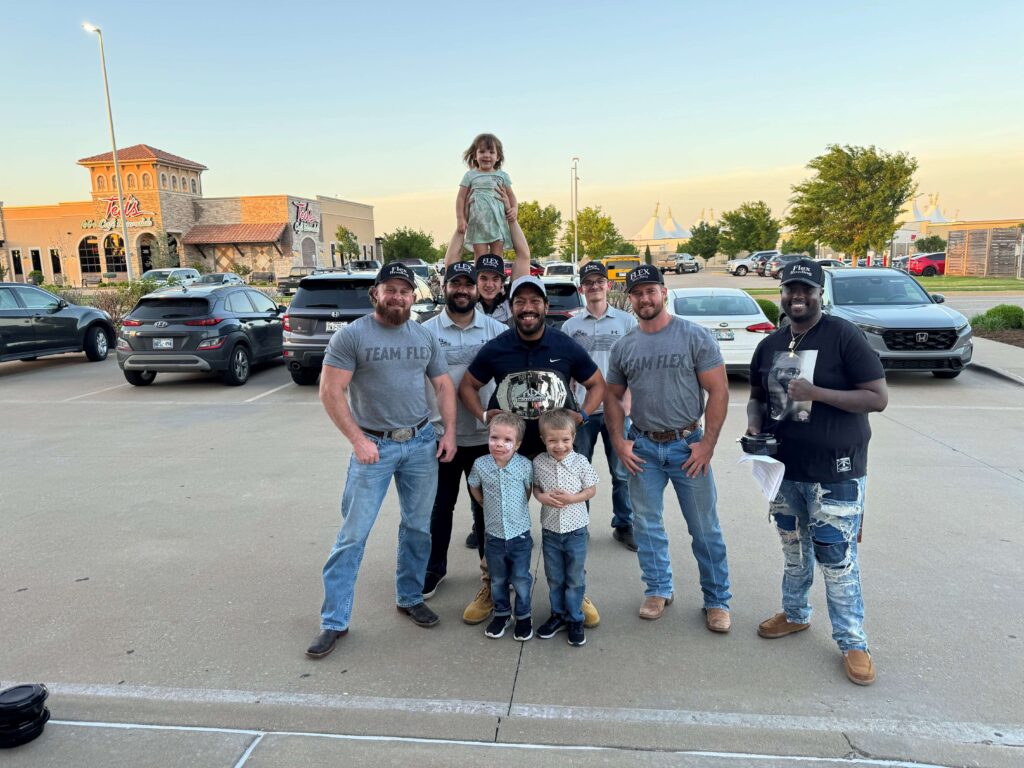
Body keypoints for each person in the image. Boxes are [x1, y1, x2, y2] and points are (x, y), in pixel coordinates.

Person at [746, 258, 888, 686]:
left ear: (819, 293)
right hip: (785, 471)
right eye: (790, 289)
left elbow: (877, 398)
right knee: (793, 551)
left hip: (836, 472)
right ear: (782, 294)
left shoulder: (843, 335)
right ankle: (795, 614)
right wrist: (753, 426)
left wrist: (816, 393)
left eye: (806, 288)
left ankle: (853, 642)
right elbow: (756, 396)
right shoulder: (770, 344)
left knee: (836, 558)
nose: (797, 296)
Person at [306, 263, 457, 659]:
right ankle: (333, 621)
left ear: (413, 296)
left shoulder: (423, 336)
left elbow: (443, 385)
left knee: (418, 527)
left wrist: (450, 433)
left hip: (421, 443)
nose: (398, 297)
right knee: (353, 534)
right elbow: (330, 391)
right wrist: (357, 439)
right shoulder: (351, 336)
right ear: (376, 293)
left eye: (405, 291)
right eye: (391, 289)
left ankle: (409, 597)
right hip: (373, 446)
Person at [460, 275, 605, 628]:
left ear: (544, 306)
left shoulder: (564, 344)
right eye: (520, 301)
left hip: (555, 449)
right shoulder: (497, 347)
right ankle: (491, 586)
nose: (527, 308)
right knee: (493, 516)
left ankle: (576, 589)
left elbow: (597, 383)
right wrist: (483, 414)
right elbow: (468, 384)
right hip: (509, 451)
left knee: (570, 515)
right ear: (512, 307)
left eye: (534, 301)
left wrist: (582, 414)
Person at [604, 265, 733, 632]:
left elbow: (719, 391)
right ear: (629, 299)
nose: (645, 298)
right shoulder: (625, 346)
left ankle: (717, 600)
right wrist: (619, 440)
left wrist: (707, 444)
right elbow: (612, 396)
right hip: (644, 446)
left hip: (687, 446)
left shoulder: (694, 336)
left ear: (664, 292)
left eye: (651, 291)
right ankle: (658, 589)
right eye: (637, 293)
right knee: (646, 526)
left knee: (704, 529)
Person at [421, 262, 507, 604]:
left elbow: (507, 381)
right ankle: (434, 567)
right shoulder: (425, 331)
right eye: (455, 284)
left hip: (484, 437)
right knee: (440, 506)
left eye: (467, 285)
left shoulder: (496, 330)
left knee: (486, 508)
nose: (462, 290)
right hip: (441, 436)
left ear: (477, 289)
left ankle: (491, 570)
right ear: (445, 287)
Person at [561, 261, 638, 551]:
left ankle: (624, 524)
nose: (594, 286)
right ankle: (580, 524)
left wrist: (628, 403)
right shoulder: (571, 326)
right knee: (579, 470)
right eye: (589, 282)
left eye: (599, 281)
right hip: (583, 413)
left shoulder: (626, 323)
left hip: (618, 412)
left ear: (608, 285)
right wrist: (571, 409)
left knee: (622, 471)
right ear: (581, 288)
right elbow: (565, 373)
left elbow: (634, 365)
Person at [533, 409, 599, 647]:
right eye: (552, 440)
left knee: (574, 577)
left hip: (576, 531)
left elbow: (591, 489)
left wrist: (573, 498)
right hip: (550, 530)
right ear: (543, 440)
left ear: (573, 438)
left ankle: (575, 618)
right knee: (555, 577)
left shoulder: (580, 461)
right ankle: (557, 615)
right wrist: (541, 498)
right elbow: (536, 488)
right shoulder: (539, 463)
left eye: (565, 440)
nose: (559, 446)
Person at [467, 412, 535, 641]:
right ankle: (502, 613)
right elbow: (473, 485)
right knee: (497, 578)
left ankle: (524, 616)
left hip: (520, 535)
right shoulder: (480, 465)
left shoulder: (524, 466)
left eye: (507, 440)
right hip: (494, 536)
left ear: (517, 444)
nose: (499, 444)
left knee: (520, 578)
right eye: (494, 437)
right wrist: (482, 502)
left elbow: (527, 492)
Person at [456, 133, 516, 258]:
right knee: (480, 257)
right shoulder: (470, 175)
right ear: (475, 155)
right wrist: (460, 218)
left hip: (498, 222)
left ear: (498, 156)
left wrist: (514, 209)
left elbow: (511, 195)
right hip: (477, 223)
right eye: (482, 151)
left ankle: (497, 277)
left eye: (491, 152)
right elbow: (461, 197)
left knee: (497, 257)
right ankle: (479, 277)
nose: (487, 155)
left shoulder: (502, 175)